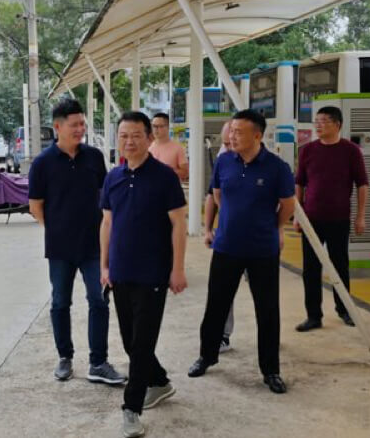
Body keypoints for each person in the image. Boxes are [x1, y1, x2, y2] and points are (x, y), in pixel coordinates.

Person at [188, 109, 295, 394]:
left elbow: (288, 204)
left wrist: (273, 227)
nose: (232, 137)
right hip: (227, 247)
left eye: (238, 132)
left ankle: (270, 370)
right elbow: (217, 194)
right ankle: (207, 356)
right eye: (231, 131)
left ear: (257, 136)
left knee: (267, 310)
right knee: (216, 305)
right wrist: (220, 225)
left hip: (263, 249)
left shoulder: (277, 167)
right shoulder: (224, 161)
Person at [100, 111, 188, 438]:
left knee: (140, 345)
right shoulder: (113, 177)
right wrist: (105, 266)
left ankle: (131, 409)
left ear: (149, 138)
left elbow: (179, 224)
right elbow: (107, 223)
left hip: (153, 273)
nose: (129, 141)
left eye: (136, 135)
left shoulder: (164, 177)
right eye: (124, 135)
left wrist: (177, 269)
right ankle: (160, 381)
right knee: (130, 341)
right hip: (120, 272)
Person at [28, 99, 126, 385]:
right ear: (58, 127)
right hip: (60, 248)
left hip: (94, 246)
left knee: (99, 300)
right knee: (60, 302)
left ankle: (98, 362)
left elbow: (105, 198)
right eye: (75, 125)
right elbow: (36, 206)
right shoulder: (42, 163)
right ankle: (65, 357)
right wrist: (57, 229)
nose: (80, 129)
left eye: (82, 123)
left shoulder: (94, 157)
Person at [294, 106, 369, 332]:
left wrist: (361, 216)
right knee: (311, 268)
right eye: (316, 121)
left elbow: (362, 184)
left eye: (324, 121)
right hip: (311, 219)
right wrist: (298, 215)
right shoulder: (307, 150)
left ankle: (344, 309)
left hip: (339, 218)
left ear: (338, 124)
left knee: (339, 265)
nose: (318, 125)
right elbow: (299, 184)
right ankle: (313, 315)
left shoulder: (351, 151)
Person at [203, 121, 235, 353]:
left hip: (259, 242)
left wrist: (277, 230)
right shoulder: (223, 160)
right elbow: (212, 196)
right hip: (227, 239)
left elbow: (283, 203)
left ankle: (269, 340)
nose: (228, 147)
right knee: (221, 291)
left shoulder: (270, 165)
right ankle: (220, 336)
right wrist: (208, 229)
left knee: (265, 297)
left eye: (231, 142)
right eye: (225, 143)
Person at [148, 113, 188, 179]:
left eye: (160, 126)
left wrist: (166, 170)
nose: (156, 129)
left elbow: (185, 173)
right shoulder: (147, 147)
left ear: (168, 127)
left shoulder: (178, 148)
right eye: (154, 126)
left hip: (169, 185)